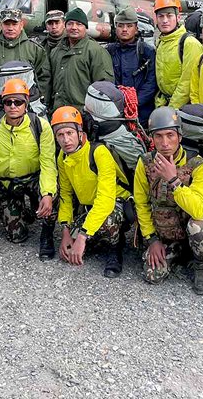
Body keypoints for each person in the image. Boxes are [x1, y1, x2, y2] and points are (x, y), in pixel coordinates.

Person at [133, 107, 203, 294]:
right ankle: (177, 253)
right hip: (164, 233)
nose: (165, 142)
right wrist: (151, 239)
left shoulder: (197, 164)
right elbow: (141, 203)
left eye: (170, 135)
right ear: (152, 139)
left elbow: (199, 210)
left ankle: (200, 265)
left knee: (199, 226)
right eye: (158, 136)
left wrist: (174, 180)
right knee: (153, 275)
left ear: (180, 136)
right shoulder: (145, 163)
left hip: (190, 227)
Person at [0, 79, 57, 259]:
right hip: (6, 184)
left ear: (26, 103)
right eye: (8, 102)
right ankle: (18, 210)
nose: (13, 106)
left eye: (18, 102)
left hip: (33, 179)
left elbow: (48, 164)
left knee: (53, 194)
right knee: (17, 237)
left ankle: (47, 236)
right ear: (2, 104)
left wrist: (47, 193)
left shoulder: (40, 126)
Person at [53, 106, 129, 278]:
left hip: (115, 203)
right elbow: (65, 195)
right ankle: (95, 237)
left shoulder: (99, 152)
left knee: (106, 221)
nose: (66, 140)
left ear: (80, 132)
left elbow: (106, 200)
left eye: (70, 133)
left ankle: (114, 249)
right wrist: (65, 232)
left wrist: (82, 237)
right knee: (71, 247)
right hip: (88, 206)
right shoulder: (62, 157)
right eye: (60, 135)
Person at [0, 9, 49, 118]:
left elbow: (44, 79)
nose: (10, 28)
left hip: (30, 111)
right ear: (1, 25)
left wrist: (40, 105)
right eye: (6, 24)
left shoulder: (35, 49)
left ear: (21, 24)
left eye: (14, 23)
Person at [47, 8, 114, 113]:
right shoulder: (55, 52)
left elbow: (104, 86)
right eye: (70, 24)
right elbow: (49, 84)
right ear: (65, 26)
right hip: (58, 113)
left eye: (79, 24)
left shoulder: (96, 51)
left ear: (85, 27)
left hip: (84, 114)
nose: (74, 27)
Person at [106, 7, 157, 125]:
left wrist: (133, 103)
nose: (124, 29)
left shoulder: (147, 52)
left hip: (141, 114)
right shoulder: (109, 51)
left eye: (129, 26)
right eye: (120, 26)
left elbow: (151, 83)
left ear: (136, 28)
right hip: (115, 113)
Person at [153, 0, 203, 109]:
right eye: (161, 16)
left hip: (182, 108)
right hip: (164, 104)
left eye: (169, 16)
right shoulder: (161, 42)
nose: (165, 20)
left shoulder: (189, 43)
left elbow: (186, 84)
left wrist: (171, 109)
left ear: (178, 17)